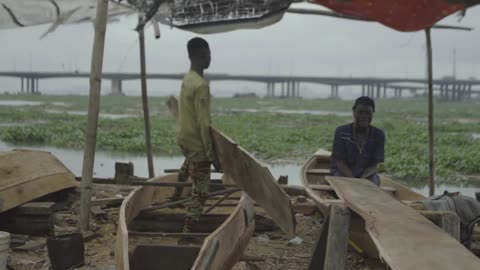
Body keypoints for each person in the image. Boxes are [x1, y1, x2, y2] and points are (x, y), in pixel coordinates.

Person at [175, 37, 221, 234]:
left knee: (188, 164)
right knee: (201, 192)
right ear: (203, 55)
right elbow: (204, 124)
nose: (210, 57)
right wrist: (212, 157)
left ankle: (174, 197)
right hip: (196, 143)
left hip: (184, 138)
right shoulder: (201, 85)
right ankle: (187, 232)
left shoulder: (187, 79)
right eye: (209, 53)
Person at [330, 96, 385, 185]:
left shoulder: (378, 135)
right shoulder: (341, 132)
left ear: (372, 114)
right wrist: (354, 181)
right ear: (354, 112)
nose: (363, 116)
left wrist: (363, 179)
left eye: (368, 113)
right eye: (360, 112)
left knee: (374, 183)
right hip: (342, 172)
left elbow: (374, 166)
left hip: (364, 174)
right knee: (342, 184)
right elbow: (340, 163)